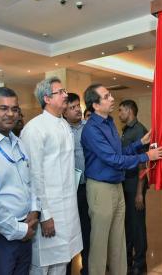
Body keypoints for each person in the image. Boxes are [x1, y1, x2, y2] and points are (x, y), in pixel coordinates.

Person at [81, 84, 162, 275]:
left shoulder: (110, 122)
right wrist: (146, 156)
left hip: (116, 186)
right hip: (100, 189)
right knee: (99, 243)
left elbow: (119, 152)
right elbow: (113, 160)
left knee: (118, 241)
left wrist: (140, 144)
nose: (112, 99)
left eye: (110, 95)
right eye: (106, 96)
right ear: (95, 105)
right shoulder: (91, 129)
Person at [0, 87, 39, 274]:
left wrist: (34, 210)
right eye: (3, 108)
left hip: (27, 228)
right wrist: (19, 230)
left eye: (15, 109)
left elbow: (31, 180)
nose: (11, 114)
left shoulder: (19, 143)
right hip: (1, 236)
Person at [21, 77, 82, 275]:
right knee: (43, 264)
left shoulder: (64, 124)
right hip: (49, 210)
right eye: (61, 92)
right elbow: (34, 175)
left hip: (68, 208)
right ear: (47, 98)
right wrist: (45, 215)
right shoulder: (35, 128)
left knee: (62, 262)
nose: (66, 95)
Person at [118, 100, 149, 275]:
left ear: (129, 111)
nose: (119, 114)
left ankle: (140, 262)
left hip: (134, 186)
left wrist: (139, 193)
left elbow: (143, 165)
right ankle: (128, 259)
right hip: (124, 184)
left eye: (121, 110)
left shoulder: (139, 131)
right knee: (127, 224)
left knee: (137, 225)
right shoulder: (126, 130)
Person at [63, 93, 90, 275]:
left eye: (77, 106)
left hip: (87, 186)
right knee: (68, 232)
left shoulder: (88, 128)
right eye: (72, 108)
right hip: (67, 190)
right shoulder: (61, 129)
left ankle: (87, 268)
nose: (77, 110)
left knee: (87, 230)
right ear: (64, 112)